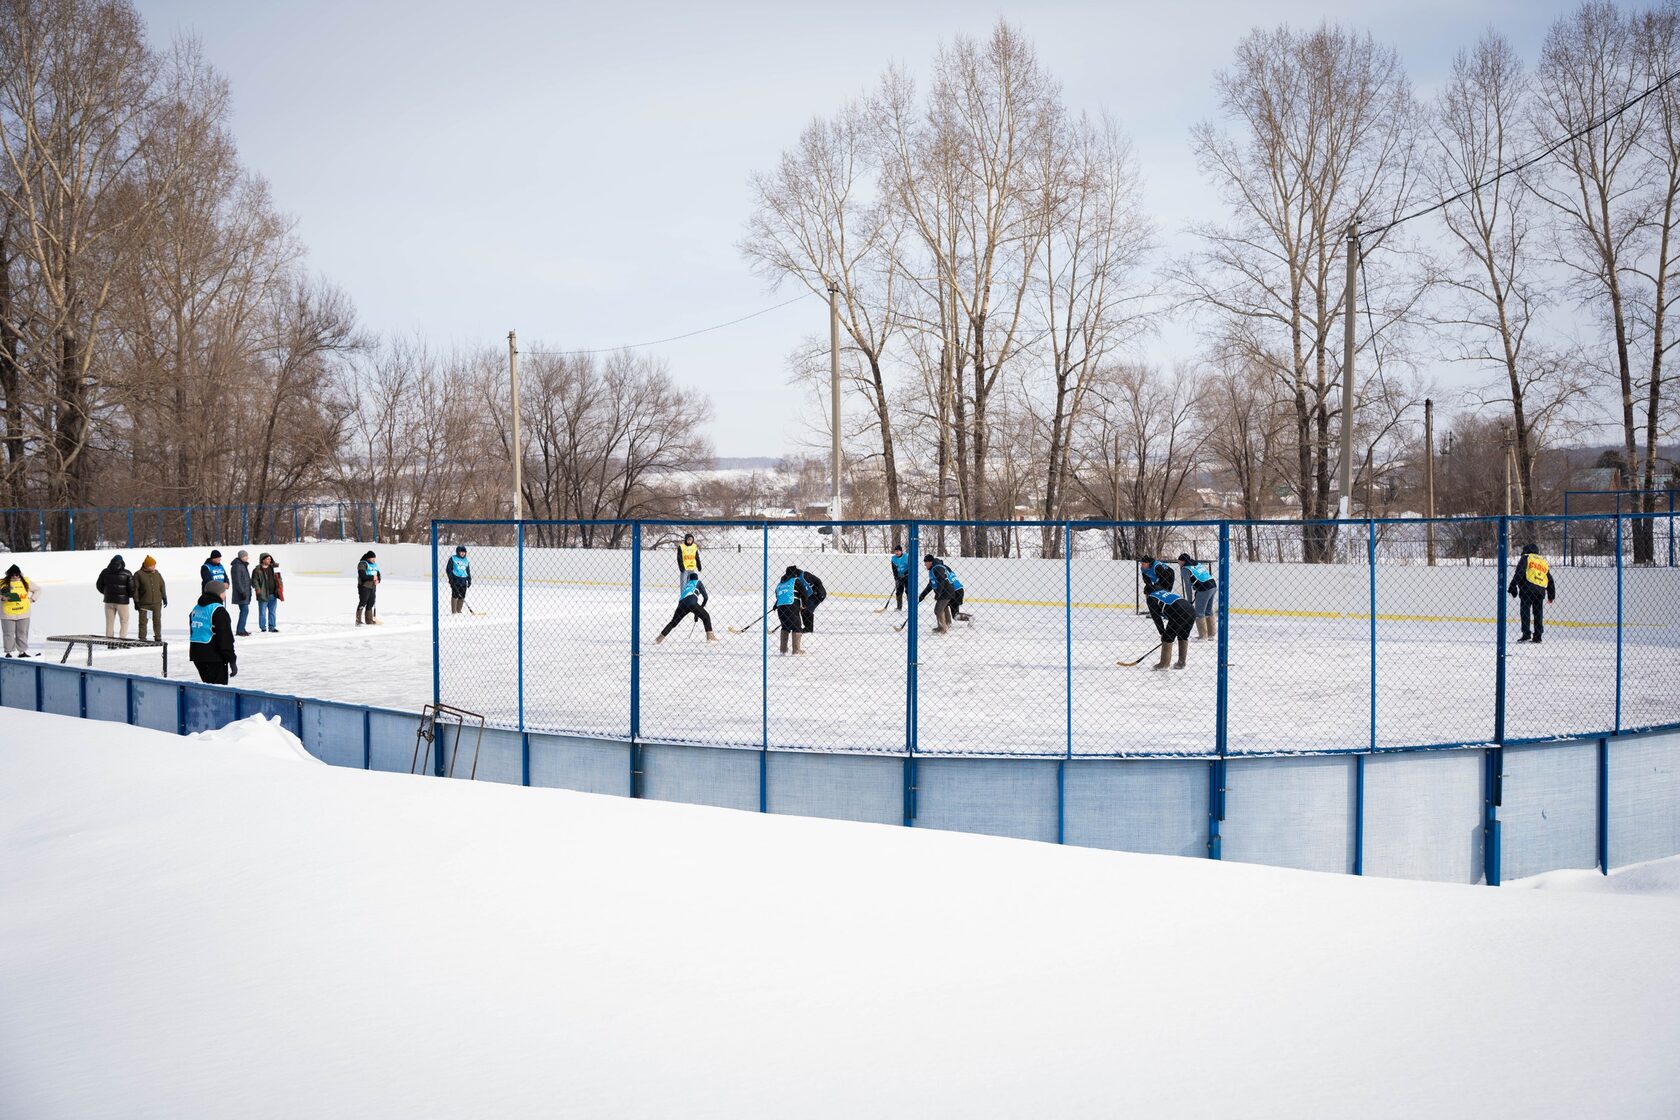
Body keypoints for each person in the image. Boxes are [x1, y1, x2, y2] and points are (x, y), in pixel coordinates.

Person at [1508, 541, 1558, 644]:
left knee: (1525, 611)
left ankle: (1526, 634)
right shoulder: (1542, 561)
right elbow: (1550, 579)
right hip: (1540, 590)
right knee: (1538, 613)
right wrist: (1551, 595)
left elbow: (1520, 572)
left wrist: (1513, 585)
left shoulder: (1526, 558)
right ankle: (1538, 636)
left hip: (1527, 588)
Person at [189, 580, 237, 685]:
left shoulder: (196, 608)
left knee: (209, 687)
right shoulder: (218, 610)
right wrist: (232, 660)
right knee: (219, 691)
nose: (225, 595)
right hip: (213, 656)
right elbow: (225, 638)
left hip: (197, 654)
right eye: (224, 592)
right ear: (219, 593)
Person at [656, 570, 716, 643]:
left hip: (681, 604)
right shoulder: (698, 582)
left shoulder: (687, 585)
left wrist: (697, 613)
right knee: (706, 617)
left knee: (673, 622)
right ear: (697, 578)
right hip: (692, 603)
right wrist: (701, 608)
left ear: (689, 579)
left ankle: (659, 638)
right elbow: (706, 597)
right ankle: (710, 638)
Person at [1146, 587, 1197, 670]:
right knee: (1183, 636)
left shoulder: (1151, 598)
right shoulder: (1165, 592)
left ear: (1147, 594)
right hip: (1191, 610)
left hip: (1178, 612)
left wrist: (1162, 633)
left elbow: (1156, 617)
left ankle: (1164, 664)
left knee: (1167, 638)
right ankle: (1181, 662)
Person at [918, 554, 969, 633]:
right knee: (945, 608)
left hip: (948, 591)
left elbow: (942, 580)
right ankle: (947, 623)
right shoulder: (933, 570)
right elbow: (930, 585)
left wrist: (938, 593)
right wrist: (922, 596)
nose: (924, 564)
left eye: (926, 562)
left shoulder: (937, 568)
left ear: (930, 562)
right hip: (948, 591)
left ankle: (942, 628)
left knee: (938, 610)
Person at [1178, 553, 1218, 641]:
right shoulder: (1196, 563)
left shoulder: (1185, 569)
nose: (1178, 563)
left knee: (1199, 612)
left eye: (1179, 561)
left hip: (1204, 588)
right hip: (1213, 585)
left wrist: (1189, 601)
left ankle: (1202, 636)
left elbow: (1187, 586)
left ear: (1182, 561)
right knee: (1208, 610)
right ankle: (1212, 635)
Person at [1, 564, 39, 657]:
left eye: (17, 574)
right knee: (8, 633)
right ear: (9, 574)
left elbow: (38, 590)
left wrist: (32, 599)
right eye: (12, 574)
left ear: (19, 574)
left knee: (22, 633)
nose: (15, 576)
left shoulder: (25, 581)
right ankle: (8, 652)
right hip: (7, 613)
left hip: (23, 613)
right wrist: (2, 597)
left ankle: (22, 652)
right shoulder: (2, 582)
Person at [96, 553, 133, 639]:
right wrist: (127, 596)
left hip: (109, 601)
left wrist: (106, 593)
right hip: (122, 602)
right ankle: (122, 640)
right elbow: (132, 589)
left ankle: (110, 642)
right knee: (124, 621)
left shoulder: (105, 572)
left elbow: (99, 585)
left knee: (109, 622)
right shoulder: (127, 573)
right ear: (122, 562)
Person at [1138, 555, 1175, 639]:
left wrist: (1157, 587)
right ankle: (1153, 609)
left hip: (1168, 577)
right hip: (1158, 579)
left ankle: (1164, 610)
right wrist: (1150, 586)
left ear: (1148, 563)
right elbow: (1146, 580)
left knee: (1163, 593)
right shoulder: (1143, 568)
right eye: (1141, 564)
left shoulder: (1157, 567)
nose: (1142, 565)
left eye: (1143, 564)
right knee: (1147, 590)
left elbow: (1164, 579)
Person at [134, 555, 168, 643]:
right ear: (147, 566)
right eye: (152, 565)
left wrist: (164, 597)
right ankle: (142, 638)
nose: (154, 567)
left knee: (157, 621)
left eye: (154, 565)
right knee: (143, 622)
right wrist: (136, 601)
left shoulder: (157, 573)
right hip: (144, 603)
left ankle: (158, 637)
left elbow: (162, 585)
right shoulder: (138, 574)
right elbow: (135, 589)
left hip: (156, 603)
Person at [774, 565, 805, 655]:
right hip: (792, 606)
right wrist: (805, 604)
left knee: (785, 626)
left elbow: (778, 595)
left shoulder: (781, 583)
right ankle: (796, 650)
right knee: (797, 626)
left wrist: (776, 605)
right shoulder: (796, 581)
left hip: (781, 608)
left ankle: (783, 650)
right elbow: (804, 593)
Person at [252, 553, 283, 633]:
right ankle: (263, 628)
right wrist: (258, 589)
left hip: (273, 594)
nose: (270, 560)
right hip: (263, 594)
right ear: (263, 560)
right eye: (268, 559)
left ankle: (272, 627)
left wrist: (281, 587)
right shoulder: (257, 570)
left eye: (270, 559)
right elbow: (254, 581)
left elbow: (279, 578)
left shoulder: (274, 568)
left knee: (272, 612)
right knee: (262, 612)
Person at [793, 567, 827, 633]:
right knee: (804, 610)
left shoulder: (805, 575)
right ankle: (807, 627)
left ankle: (809, 628)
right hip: (811, 596)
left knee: (807, 610)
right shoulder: (797, 580)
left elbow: (818, 581)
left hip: (818, 595)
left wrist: (819, 592)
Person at [230, 549, 253, 636]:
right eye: (246, 556)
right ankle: (240, 630)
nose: (248, 557)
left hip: (245, 592)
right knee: (244, 610)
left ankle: (242, 628)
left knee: (244, 611)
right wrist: (242, 592)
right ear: (242, 557)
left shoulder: (242, 565)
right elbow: (238, 581)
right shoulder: (237, 566)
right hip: (241, 593)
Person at [356, 550, 382, 625]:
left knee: (371, 603)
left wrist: (378, 580)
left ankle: (369, 620)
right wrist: (372, 578)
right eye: (372, 558)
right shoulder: (362, 564)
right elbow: (362, 576)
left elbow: (378, 574)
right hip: (364, 586)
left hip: (373, 586)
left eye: (374, 558)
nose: (374, 560)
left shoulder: (374, 564)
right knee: (363, 602)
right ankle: (358, 621)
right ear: (368, 558)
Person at [447, 545, 472, 614]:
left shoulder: (466, 560)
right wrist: (451, 579)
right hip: (456, 579)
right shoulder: (453, 558)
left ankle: (459, 610)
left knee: (462, 595)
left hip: (463, 580)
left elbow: (467, 571)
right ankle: (454, 611)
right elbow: (448, 570)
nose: (463, 553)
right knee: (455, 595)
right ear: (458, 552)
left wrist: (469, 579)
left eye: (464, 552)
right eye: (461, 552)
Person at [890, 545, 910, 611]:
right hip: (899, 577)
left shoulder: (906, 557)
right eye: (895, 551)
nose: (896, 553)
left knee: (908, 591)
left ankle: (910, 607)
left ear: (901, 551)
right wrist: (896, 578)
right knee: (898, 591)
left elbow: (910, 567)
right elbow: (894, 569)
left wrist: (905, 574)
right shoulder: (893, 559)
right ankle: (899, 607)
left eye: (898, 551)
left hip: (907, 576)